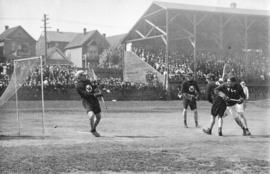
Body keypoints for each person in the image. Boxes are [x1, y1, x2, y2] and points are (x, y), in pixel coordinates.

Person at [75, 70, 103, 137]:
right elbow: (85, 94)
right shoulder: (78, 85)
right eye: (83, 75)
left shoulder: (87, 81)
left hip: (94, 101)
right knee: (91, 116)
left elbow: (92, 88)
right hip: (87, 101)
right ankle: (93, 131)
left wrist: (98, 86)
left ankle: (93, 128)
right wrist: (95, 95)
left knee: (98, 117)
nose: (85, 76)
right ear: (80, 76)